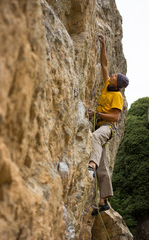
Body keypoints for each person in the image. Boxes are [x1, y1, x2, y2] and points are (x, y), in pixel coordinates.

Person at [88, 34, 129, 216]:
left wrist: (97, 114)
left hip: (107, 128)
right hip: (100, 124)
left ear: (117, 83)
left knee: (96, 137)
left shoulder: (117, 96)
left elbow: (115, 117)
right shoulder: (107, 86)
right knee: (103, 165)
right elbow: (104, 64)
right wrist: (103, 45)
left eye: (114, 76)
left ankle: (91, 166)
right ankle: (103, 201)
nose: (111, 75)